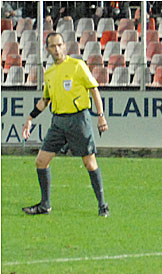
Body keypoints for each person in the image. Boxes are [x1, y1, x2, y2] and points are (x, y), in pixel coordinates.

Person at [21, 32, 109, 217]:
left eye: (60, 45)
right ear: (48, 49)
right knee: (41, 161)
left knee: (89, 162)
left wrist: (100, 116)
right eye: (53, 46)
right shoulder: (50, 72)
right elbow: (45, 100)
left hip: (78, 120)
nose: (57, 49)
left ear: (64, 46)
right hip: (58, 122)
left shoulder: (77, 66)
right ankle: (45, 205)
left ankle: (102, 206)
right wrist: (30, 118)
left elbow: (94, 90)